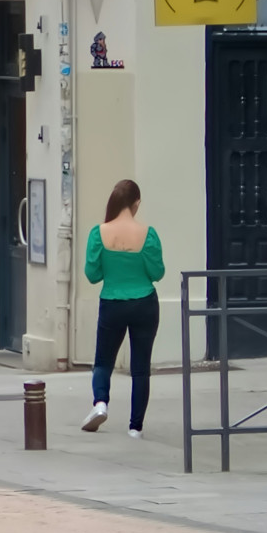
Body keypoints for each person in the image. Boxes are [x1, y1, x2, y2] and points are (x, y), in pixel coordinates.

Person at [80, 180, 166, 438]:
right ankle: (135, 427)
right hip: (144, 303)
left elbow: (92, 274)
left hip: (112, 303)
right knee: (140, 368)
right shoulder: (148, 234)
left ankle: (100, 404)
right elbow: (157, 272)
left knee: (103, 360)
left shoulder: (99, 233)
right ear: (136, 203)